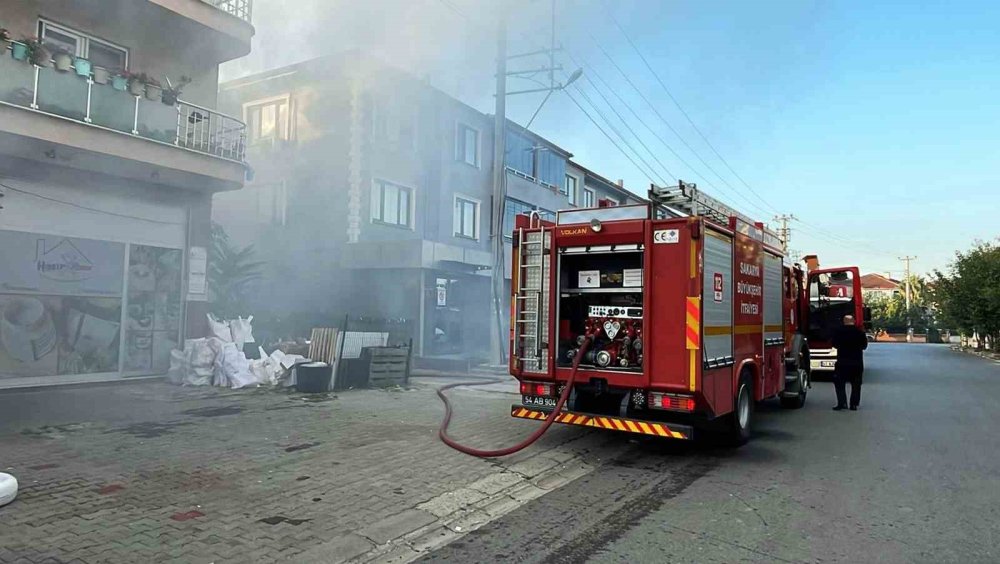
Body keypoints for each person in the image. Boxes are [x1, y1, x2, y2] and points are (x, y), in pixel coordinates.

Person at [831, 314, 868, 411]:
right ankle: (854, 404)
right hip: (856, 363)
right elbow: (864, 346)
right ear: (854, 321)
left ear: (844, 321)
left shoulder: (838, 332)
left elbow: (834, 344)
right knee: (856, 384)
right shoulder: (860, 332)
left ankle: (842, 403)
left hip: (842, 362)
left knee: (839, 383)